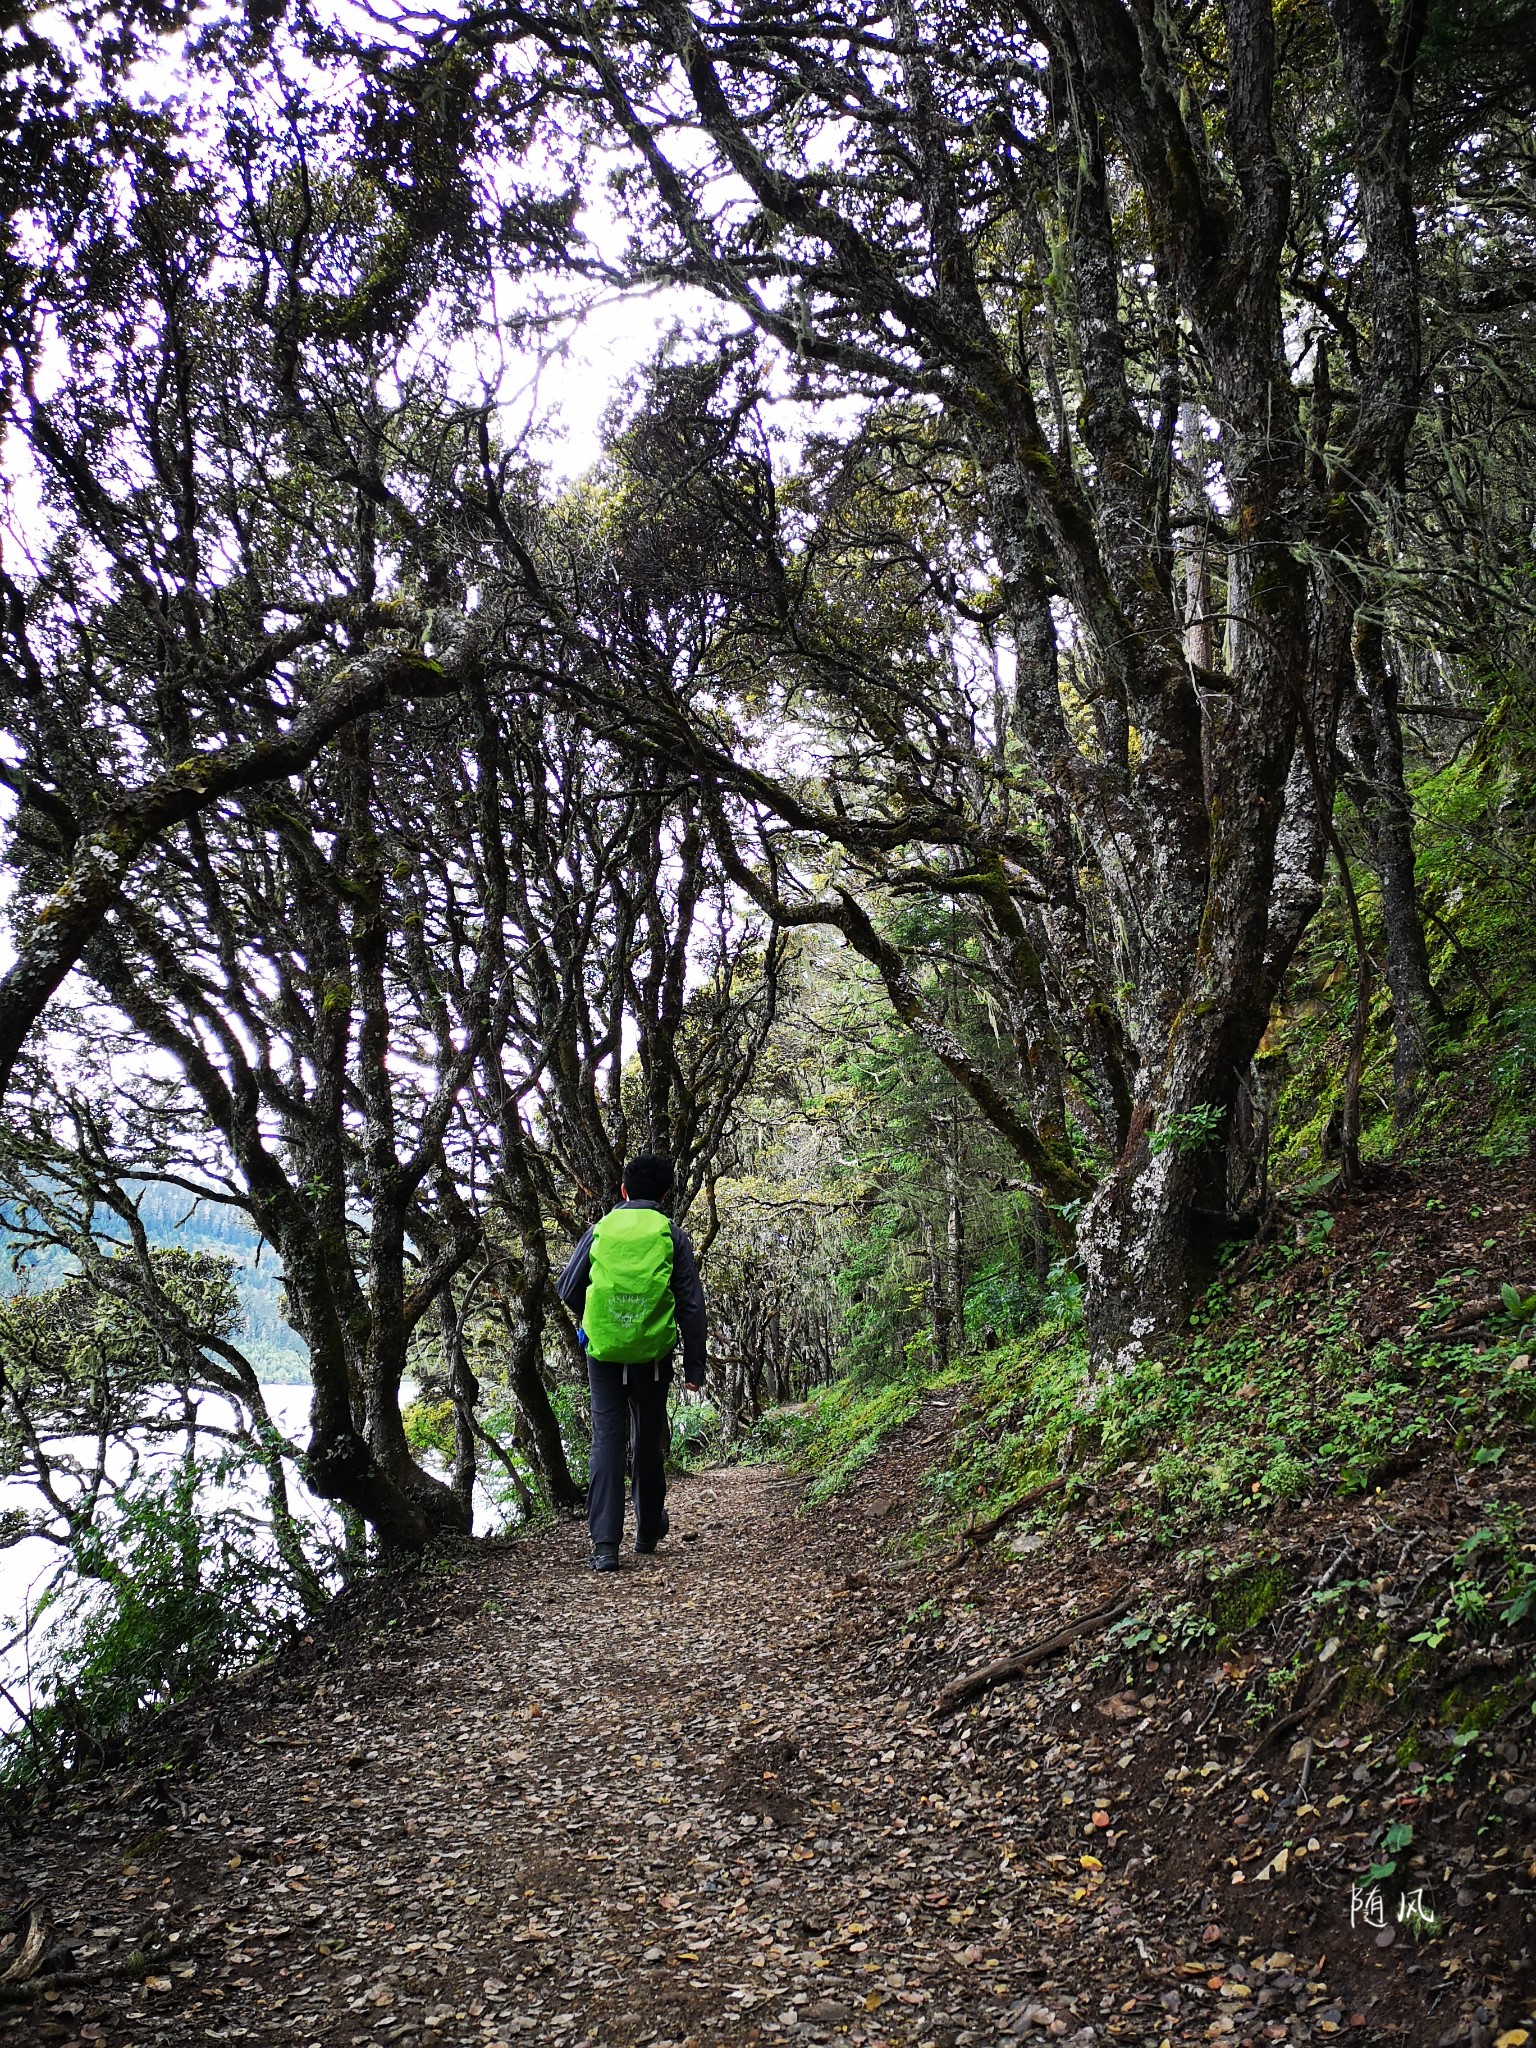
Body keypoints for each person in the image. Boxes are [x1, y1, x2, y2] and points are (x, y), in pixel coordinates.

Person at [555, 1154, 707, 1572]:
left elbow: (566, 1286)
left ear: (623, 1190)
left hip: (603, 1354)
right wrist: (695, 1366)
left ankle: (605, 1546)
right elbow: (692, 1306)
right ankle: (646, 1532)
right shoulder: (671, 1234)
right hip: (653, 1355)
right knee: (646, 1438)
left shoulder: (600, 1229)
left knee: (607, 1439)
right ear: (665, 1194)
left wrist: (596, 1322)